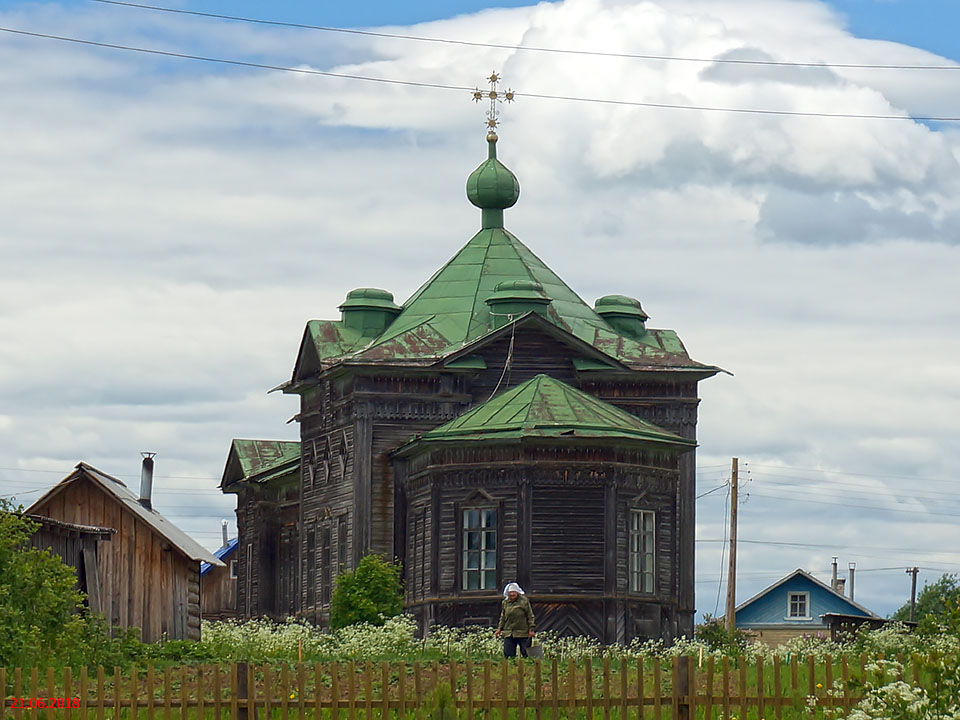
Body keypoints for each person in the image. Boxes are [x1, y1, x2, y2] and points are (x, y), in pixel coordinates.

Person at [494, 582, 535, 658]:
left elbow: (530, 616)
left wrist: (531, 629)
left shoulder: (524, 601)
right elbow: (503, 617)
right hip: (509, 632)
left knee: (526, 653)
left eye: (514, 592)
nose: (512, 594)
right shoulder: (505, 603)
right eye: (510, 592)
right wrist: (499, 629)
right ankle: (511, 667)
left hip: (523, 632)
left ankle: (529, 667)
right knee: (508, 653)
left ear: (517, 592)